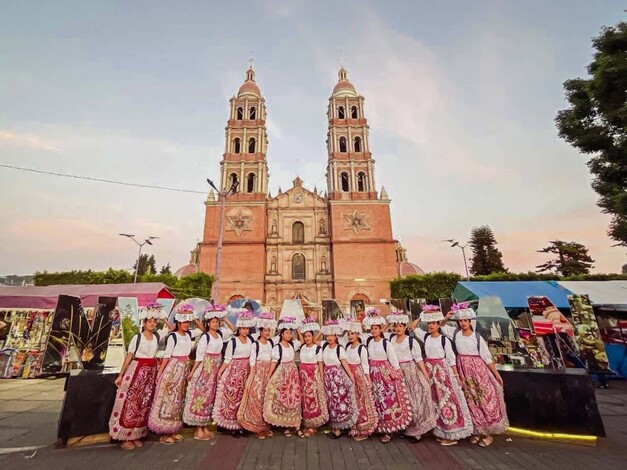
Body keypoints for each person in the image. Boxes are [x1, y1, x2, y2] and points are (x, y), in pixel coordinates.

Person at [441, 304, 508, 447]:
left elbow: (487, 357)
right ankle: (477, 431)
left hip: (478, 371)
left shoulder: (477, 337)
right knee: (469, 400)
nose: (463, 323)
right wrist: (447, 317)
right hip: (463, 370)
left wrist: (496, 374)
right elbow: (442, 327)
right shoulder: (455, 334)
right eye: (460, 321)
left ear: (470, 321)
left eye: (465, 320)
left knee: (483, 399)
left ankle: (489, 433)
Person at [109, 302, 165, 450]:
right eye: (149, 321)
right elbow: (129, 355)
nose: (152, 324)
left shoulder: (157, 337)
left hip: (151, 372)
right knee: (131, 402)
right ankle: (124, 436)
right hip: (137, 370)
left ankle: (136, 434)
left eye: (154, 321)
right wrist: (121, 374)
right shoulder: (137, 338)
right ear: (144, 322)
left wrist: (161, 315)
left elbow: (171, 328)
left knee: (144, 403)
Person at [148, 303, 204, 444]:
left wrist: (194, 317)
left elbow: (202, 330)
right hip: (173, 368)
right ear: (178, 322)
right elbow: (167, 356)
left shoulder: (189, 334)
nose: (186, 324)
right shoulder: (173, 336)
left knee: (178, 400)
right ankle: (164, 432)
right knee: (168, 399)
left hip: (184, 368)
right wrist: (160, 373)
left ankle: (173, 430)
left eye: (187, 322)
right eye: (184, 322)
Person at [416, 305, 472, 446]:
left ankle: (453, 433)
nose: (431, 326)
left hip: (442, 372)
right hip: (430, 371)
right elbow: (412, 327)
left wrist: (456, 376)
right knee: (436, 402)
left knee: (447, 400)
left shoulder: (444, 340)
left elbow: (451, 359)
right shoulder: (426, 337)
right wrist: (423, 315)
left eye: (433, 323)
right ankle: (442, 431)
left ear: (438, 325)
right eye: (429, 323)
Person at [363, 308, 412, 444]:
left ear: (381, 330)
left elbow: (393, 358)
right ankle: (378, 427)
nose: (373, 331)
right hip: (373, 373)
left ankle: (388, 430)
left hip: (384, 374)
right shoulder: (369, 342)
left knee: (387, 401)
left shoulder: (386, 343)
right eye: (372, 328)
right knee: (376, 401)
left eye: (376, 328)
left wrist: (397, 370)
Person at [387, 309, 436, 443]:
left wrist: (425, 374)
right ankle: (406, 427)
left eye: (400, 326)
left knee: (414, 399)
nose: (397, 328)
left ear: (405, 327)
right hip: (396, 371)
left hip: (410, 371)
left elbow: (418, 359)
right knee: (402, 400)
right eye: (396, 326)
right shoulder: (390, 339)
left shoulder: (410, 341)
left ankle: (417, 430)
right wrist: (391, 318)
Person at [182, 303, 229, 440]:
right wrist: (192, 372)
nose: (216, 324)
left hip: (215, 368)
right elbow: (199, 356)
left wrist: (224, 318)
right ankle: (198, 429)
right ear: (208, 323)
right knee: (200, 396)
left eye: (217, 321)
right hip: (205, 369)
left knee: (209, 398)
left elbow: (233, 330)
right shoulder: (205, 337)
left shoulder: (220, 335)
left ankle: (205, 426)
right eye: (213, 322)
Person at [213, 309, 256, 437]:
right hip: (234, 372)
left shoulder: (251, 341)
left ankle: (243, 424)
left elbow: (252, 357)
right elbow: (227, 359)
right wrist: (221, 371)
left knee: (244, 398)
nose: (245, 331)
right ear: (239, 329)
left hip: (246, 371)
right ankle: (233, 426)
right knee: (233, 397)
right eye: (243, 328)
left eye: (247, 329)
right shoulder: (233, 341)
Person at [237, 311, 277, 439]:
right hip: (258, 373)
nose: (267, 333)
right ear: (260, 331)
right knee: (257, 398)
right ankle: (257, 426)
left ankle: (266, 426)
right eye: (265, 330)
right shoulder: (255, 344)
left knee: (267, 399)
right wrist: (253, 376)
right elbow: (252, 361)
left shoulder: (271, 343)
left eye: (268, 331)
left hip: (268, 372)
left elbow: (273, 360)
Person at [263, 316, 302, 437]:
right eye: (287, 333)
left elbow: (301, 341)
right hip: (283, 374)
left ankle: (296, 425)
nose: (289, 335)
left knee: (294, 399)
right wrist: (269, 377)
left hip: (293, 375)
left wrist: (297, 329)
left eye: (290, 333)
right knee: (284, 400)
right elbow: (274, 363)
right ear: (281, 333)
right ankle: (285, 426)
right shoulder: (277, 348)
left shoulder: (292, 345)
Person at [343, 317, 378, 441]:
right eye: (348, 334)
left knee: (362, 402)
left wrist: (367, 379)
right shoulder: (347, 347)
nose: (350, 336)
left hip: (359, 375)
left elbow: (365, 365)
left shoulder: (361, 348)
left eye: (352, 333)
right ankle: (354, 427)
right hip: (349, 375)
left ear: (357, 334)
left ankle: (364, 428)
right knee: (352, 402)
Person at [321, 320, 357, 438]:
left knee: (341, 402)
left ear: (336, 336)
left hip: (338, 379)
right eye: (328, 335)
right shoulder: (324, 347)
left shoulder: (339, 348)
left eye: (332, 335)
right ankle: (335, 427)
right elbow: (315, 340)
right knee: (332, 404)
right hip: (328, 378)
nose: (329, 338)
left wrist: (351, 378)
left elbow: (344, 364)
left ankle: (342, 428)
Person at [297, 317, 328, 438]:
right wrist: (299, 330)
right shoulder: (303, 347)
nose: (307, 338)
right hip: (303, 376)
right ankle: (306, 423)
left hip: (313, 375)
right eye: (305, 337)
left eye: (309, 336)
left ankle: (313, 425)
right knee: (305, 400)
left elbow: (320, 363)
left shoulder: (317, 348)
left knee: (313, 399)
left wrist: (320, 376)